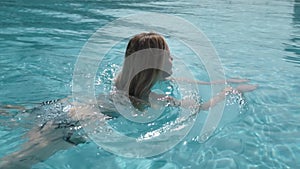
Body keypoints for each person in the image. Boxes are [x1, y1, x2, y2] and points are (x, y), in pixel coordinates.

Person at [0, 32, 257, 169]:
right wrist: (230, 94)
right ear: (155, 66)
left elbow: (174, 78)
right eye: (168, 56)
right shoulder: (152, 100)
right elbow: (201, 108)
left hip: (59, 107)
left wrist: (214, 82)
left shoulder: (122, 80)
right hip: (74, 125)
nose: (173, 60)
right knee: (15, 162)